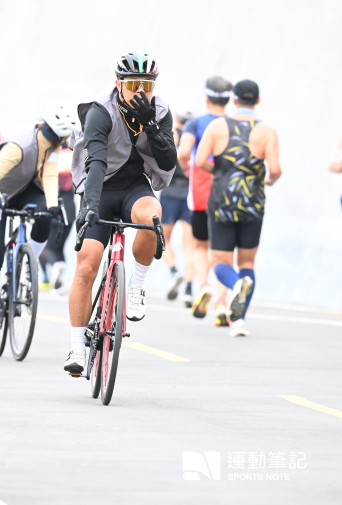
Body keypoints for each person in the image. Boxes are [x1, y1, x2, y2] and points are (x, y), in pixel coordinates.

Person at [65, 52, 177, 375]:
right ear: (118, 84)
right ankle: (76, 345)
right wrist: (89, 207)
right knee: (86, 265)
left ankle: (136, 285)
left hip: (134, 185)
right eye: (133, 85)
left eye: (147, 85)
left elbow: (168, 161)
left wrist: (151, 126)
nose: (141, 91)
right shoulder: (100, 112)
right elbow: (96, 163)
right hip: (99, 188)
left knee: (152, 217)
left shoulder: (160, 111)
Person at [0, 101, 77, 339]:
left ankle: (31, 261)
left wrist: (52, 204)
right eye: (65, 138)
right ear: (57, 135)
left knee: (45, 216)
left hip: (23, 189)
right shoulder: (19, 146)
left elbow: (49, 175)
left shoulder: (51, 145)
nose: (65, 142)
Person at [195, 79, 281, 337]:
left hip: (222, 201)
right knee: (247, 262)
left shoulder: (217, 126)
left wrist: (221, 172)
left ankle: (235, 285)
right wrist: (268, 180)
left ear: (233, 100)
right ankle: (239, 321)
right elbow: (275, 169)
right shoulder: (267, 131)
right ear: (258, 100)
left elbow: (200, 160)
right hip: (253, 203)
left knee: (220, 261)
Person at [178, 76, 231, 325]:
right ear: (228, 99)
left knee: (200, 245)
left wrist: (186, 167)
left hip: (200, 193)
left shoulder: (195, 123)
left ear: (207, 97)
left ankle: (204, 285)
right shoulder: (232, 124)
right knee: (224, 252)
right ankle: (222, 302)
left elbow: (184, 152)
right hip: (227, 194)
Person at [160, 110, 195, 306]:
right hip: (190, 195)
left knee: (162, 239)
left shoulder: (173, 134)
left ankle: (174, 271)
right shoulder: (195, 138)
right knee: (190, 246)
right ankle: (189, 289)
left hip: (170, 193)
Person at [39, 143, 76, 294]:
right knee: (59, 247)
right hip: (70, 210)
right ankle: (57, 284)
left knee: (45, 247)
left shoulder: (50, 156)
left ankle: (52, 270)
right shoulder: (74, 156)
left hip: (53, 206)